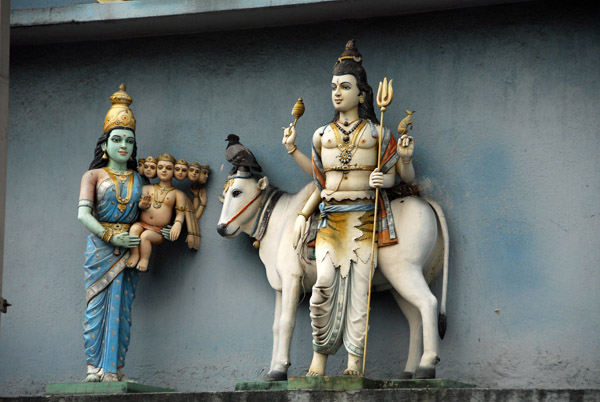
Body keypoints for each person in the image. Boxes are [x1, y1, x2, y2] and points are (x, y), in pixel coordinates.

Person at [282, 40, 415, 376]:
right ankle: (320, 356)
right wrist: (301, 214)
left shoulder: (378, 133)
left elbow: (401, 178)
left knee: (359, 291)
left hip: (364, 219)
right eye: (333, 88)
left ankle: (354, 363)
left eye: (345, 87)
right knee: (323, 285)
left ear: (362, 94)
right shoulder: (320, 135)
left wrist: (400, 166)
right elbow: (318, 181)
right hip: (330, 220)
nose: (337, 94)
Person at [77, 84, 143, 382]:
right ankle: (94, 367)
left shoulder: (139, 178)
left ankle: (115, 369)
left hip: (129, 249)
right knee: (96, 311)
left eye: (128, 141)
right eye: (116, 139)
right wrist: (109, 236)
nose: (123, 146)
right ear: (104, 145)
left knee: (123, 312)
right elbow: (83, 214)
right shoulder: (92, 175)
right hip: (101, 248)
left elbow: (149, 213)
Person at [125, 153, 188, 271]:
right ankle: (134, 254)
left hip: (159, 230)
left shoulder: (177, 194)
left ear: (174, 171)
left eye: (168, 168)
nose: (164, 171)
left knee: (146, 236)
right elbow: (138, 207)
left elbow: (180, 213)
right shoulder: (147, 188)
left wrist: (177, 224)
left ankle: (144, 259)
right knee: (133, 230)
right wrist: (142, 205)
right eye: (160, 168)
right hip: (142, 223)